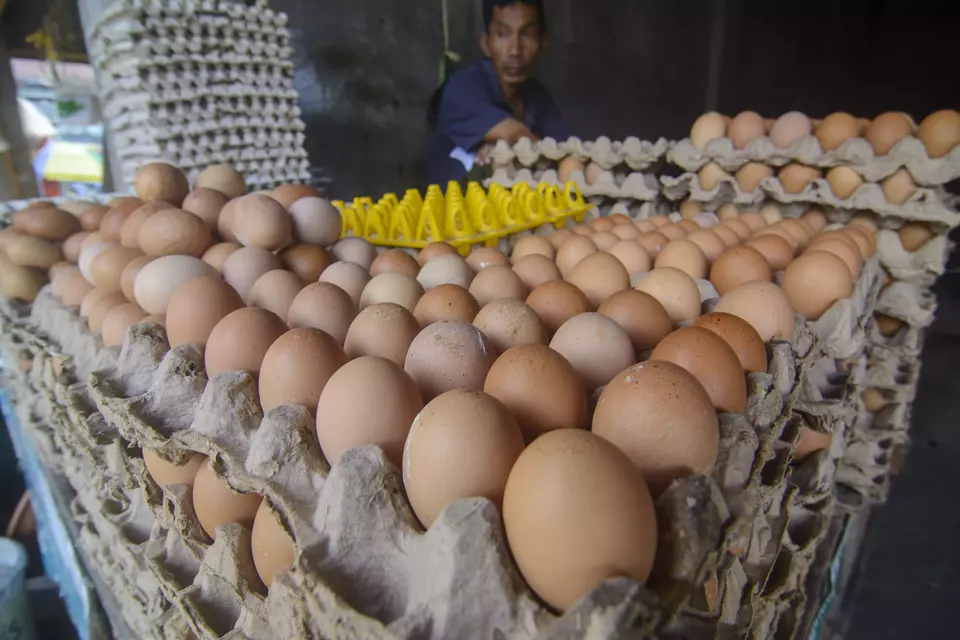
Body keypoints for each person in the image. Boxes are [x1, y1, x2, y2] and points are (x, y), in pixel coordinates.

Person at [427, 0, 573, 184]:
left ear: (543, 42)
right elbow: (516, 135)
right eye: (502, 34)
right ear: (486, 43)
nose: (515, 50)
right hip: (456, 210)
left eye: (527, 34)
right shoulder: (463, 87)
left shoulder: (536, 95)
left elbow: (570, 150)